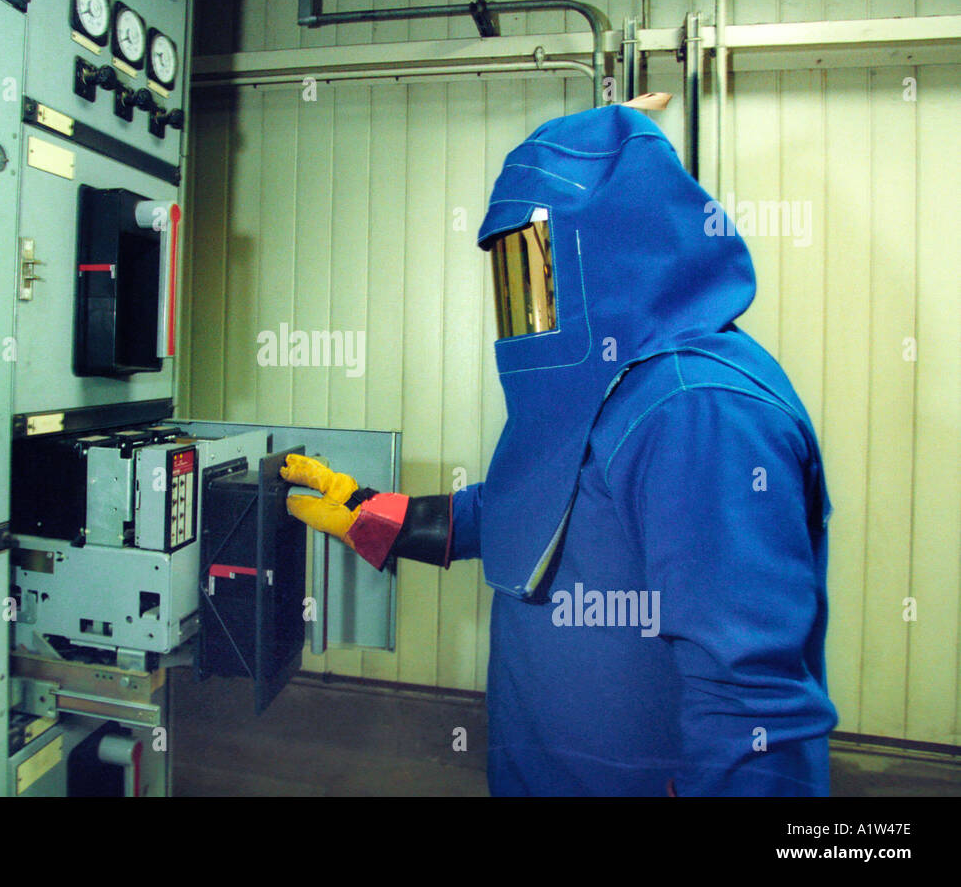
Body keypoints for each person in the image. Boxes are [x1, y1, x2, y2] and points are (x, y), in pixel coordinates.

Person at [280, 100, 838, 796]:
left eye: (539, 266)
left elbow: (754, 710)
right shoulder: (616, 383)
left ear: (615, 247)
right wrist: (381, 515)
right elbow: (545, 498)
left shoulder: (698, 408)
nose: (528, 307)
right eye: (511, 274)